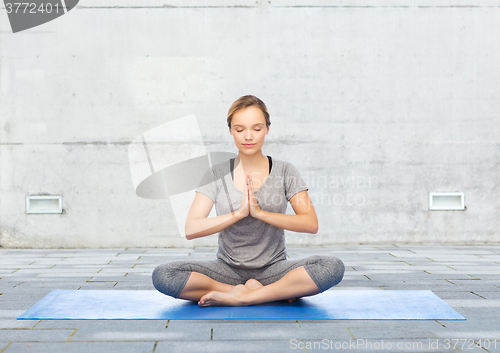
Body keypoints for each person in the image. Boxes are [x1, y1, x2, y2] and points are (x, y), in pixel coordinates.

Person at [152, 95, 344, 307]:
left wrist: (261, 213)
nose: (248, 136)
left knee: (331, 266)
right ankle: (260, 293)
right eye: (240, 129)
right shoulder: (216, 173)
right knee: (164, 275)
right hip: (226, 270)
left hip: (274, 270)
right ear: (231, 131)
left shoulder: (285, 171)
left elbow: (310, 223)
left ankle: (243, 297)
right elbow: (191, 228)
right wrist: (239, 213)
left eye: (257, 128)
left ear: (267, 129)